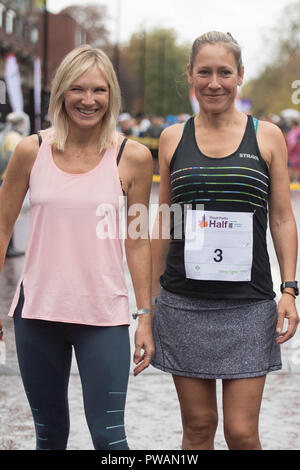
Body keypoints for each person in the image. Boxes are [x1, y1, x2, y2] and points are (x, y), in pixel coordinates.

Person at [150, 31, 299, 450]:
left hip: (248, 305)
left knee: (241, 431)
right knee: (198, 428)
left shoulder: (266, 136)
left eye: (224, 72)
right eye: (204, 72)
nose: (214, 82)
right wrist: (148, 305)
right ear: (190, 76)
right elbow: (163, 223)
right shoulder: (171, 138)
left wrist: (289, 289)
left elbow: (283, 219)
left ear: (240, 77)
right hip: (184, 303)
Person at [0, 45, 154, 450]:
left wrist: (145, 315)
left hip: (103, 315)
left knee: (110, 438)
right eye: (78, 89)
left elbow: (137, 241)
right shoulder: (31, 151)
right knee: (49, 437)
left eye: (99, 90)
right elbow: (1, 228)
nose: (88, 100)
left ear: (111, 95)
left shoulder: (133, 157)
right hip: (37, 315)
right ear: (61, 93)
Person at [0, 111, 30, 257]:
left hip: (4, 178)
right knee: (8, 216)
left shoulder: (7, 136)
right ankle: (9, 249)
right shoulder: (14, 139)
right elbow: (15, 163)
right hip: (9, 180)